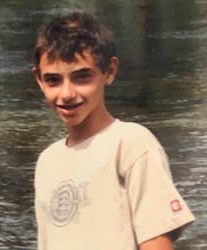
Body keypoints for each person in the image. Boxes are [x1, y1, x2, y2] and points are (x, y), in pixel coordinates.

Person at [32, 11, 195, 250]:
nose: (66, 94)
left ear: (109, 71)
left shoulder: (132, 144)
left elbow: (157, 244)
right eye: (53, 80)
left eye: (82, 77)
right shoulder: (47, 161)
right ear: (39, 79)